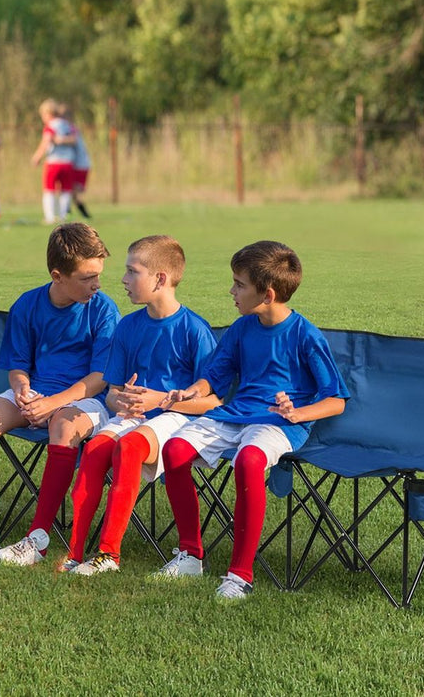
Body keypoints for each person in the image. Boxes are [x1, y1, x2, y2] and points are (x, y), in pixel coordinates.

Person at [153, 240, 349, 599]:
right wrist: (192, 392)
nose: (232, 291)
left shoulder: (306, 335)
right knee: (175, 449)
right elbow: (215, 376)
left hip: (278, 422)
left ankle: (239, 575)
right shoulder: (242, 328)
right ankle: (190, 555)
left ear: (268, 294)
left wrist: (298, 413)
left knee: (249, 460)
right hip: (236, 414)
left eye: (239, 284)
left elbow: (336, 401)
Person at [0, 222, 121, 566]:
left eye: (99, 275)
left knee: (64, 426)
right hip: (37, 393)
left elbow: (101, 377)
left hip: (87, 399)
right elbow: (18, 365)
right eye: (86, 277)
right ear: (58, 275)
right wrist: (23, 389)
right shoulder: (27, 304)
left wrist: (53, 404)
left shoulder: (103, 309)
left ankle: (36, 540)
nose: (96, 284)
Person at [65, 235, 219, 575]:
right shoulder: (128, 326)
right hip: (132, 416)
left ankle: (109, 554)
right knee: (94, 451)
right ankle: (74, 552)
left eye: (132, 272)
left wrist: (162, 400)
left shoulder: (195, 330)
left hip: (177, 417)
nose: (123, 280)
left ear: (160, 279)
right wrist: (119, 399)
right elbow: (111, 391)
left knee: (130, 448)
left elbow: (213, 402)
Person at [31, 98, 75, 225]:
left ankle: (49, 217)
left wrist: (37, 157)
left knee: (49, 190)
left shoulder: (50, 126)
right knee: (66, 190)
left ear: (48, 113)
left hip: (53, 163)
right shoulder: (67, 125)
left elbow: (46, 142)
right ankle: (62, 216)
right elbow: (74, 139)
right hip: (67, 162)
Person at [57, 103, 92, 219]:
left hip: (79, 165)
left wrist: (59, 140)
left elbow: (72, 140)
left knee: (73, 192)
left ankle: (82, 214)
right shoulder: (68, 127)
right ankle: (68, 212)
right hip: (77, 164)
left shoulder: (70, 128)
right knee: (69, 190)